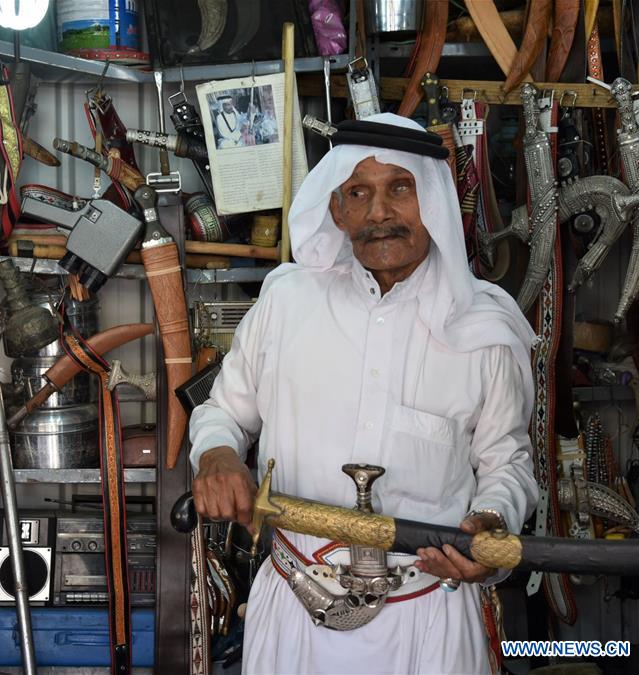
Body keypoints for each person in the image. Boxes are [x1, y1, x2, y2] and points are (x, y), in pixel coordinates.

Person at [188, 113, 538, 674]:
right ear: (337, 209)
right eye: (359, 192)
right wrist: (218, 454)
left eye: (400, 188)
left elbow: (508, 462)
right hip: (295, 610)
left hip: (429, 619)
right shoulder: (287, 303)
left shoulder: (486, 327)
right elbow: (223, 412)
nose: (379, 213)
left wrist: (493, 520)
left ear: (434, 202)